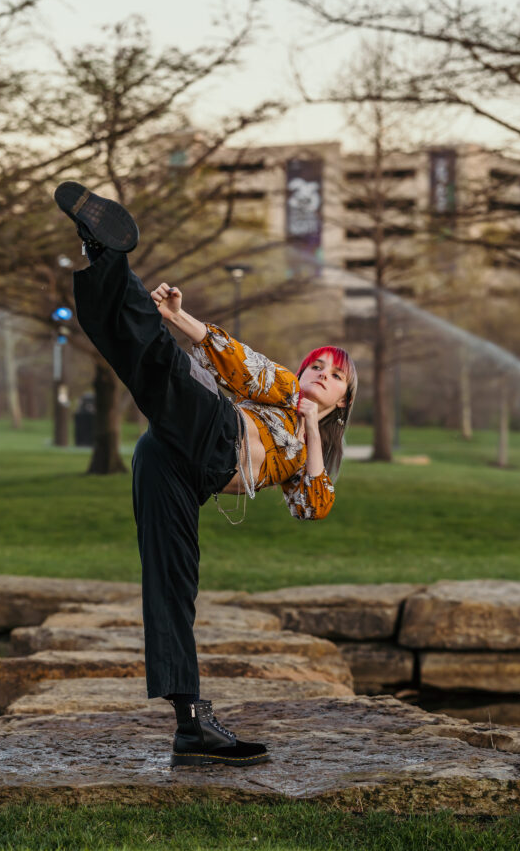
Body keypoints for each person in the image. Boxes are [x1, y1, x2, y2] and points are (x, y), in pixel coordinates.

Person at [54, 181, 358, 769]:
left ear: (345, 398)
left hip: (193, 469)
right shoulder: (284, 387)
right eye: (316, 364)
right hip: (206, 434)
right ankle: (108, 255)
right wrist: (177, 315)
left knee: (172, 586)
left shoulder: (309, 444)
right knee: (161, 365)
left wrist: (313, 430)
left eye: (334, 375)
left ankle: (190, 722)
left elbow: (312, 507)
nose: (319, 374)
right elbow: (237, 359)